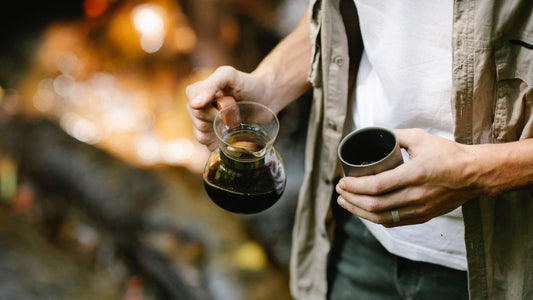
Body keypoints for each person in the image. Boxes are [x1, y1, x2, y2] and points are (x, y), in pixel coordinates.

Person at [186, 0, 533, 299]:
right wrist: (267, 84)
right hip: (364, 236)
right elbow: (340, 12)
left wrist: (478, 172)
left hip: (504, 258)